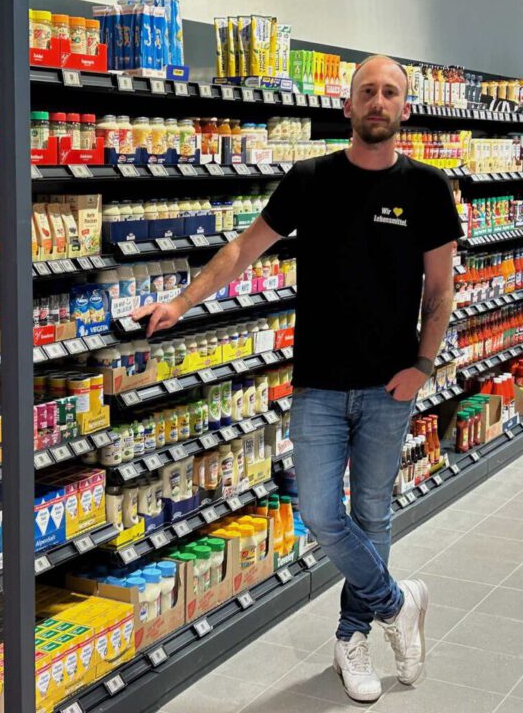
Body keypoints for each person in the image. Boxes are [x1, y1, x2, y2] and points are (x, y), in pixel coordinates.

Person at [133, 53, 462, 702]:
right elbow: (240, 251)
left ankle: (351, 639)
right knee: (319, 512)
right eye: (366, 90)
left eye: (389, 92)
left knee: (371, 514)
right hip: (316, 382)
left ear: (404, 109)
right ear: (347, 106)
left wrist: (422, 366)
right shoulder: (310, 179)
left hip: (388, 386)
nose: (376, 100)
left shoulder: (427, 187)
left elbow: (442, 291)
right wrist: (180, 300)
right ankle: (399, 602)